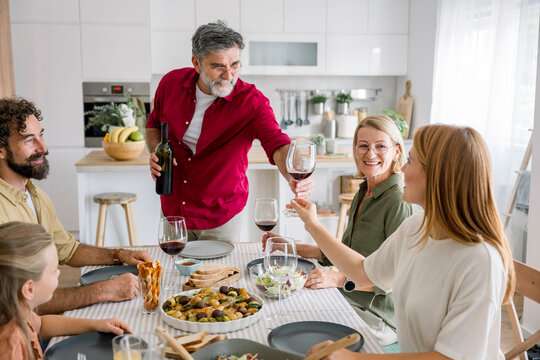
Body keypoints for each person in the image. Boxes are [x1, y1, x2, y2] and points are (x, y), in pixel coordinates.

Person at [294, 124, 515, 359]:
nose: (402, 170)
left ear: (437, 175)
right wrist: (313, 226)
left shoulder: (479, 260)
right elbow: (360, 272)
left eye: (410, 161)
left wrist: (353, 358)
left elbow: (450, 357)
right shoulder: (415, 228)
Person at [147, 20, 313, 242]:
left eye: (234, 64)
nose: (228, 75)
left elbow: (277, 143)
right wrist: (157, 150)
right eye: (218, 66)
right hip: (173, 211)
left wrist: (295, 172)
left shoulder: (252, 102)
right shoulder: (170, 84)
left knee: (218, 276)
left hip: (220, 217)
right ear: (196, 63)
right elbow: (154, 124)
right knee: (172, 275)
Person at [263, 115, 415, 347]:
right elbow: (344, 254)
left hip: (378, 317)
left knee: (295, 323)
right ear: (354, 150)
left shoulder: (398, 200)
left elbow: (395, 279)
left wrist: (338, 279)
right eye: (363, 145)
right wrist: (289, 247)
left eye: (380, 146)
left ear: (396, 151)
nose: (370, 154)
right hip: (349, 298)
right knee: (282, 305)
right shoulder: (364, 191)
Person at [0, 97, 152, 315]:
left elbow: (68, 250)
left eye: (41, 135)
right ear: (1, 150)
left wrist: (120, 255)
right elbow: (17, 303)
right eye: (28, 140)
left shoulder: (35, 195)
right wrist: (100, 291)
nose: (43, 147)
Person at [0, 222, 132, 360]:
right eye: (54, 270)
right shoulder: (10, 345)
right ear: (29, 289)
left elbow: (42, 325)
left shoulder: (19, 311)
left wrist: (96, 324)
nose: (58, 273)